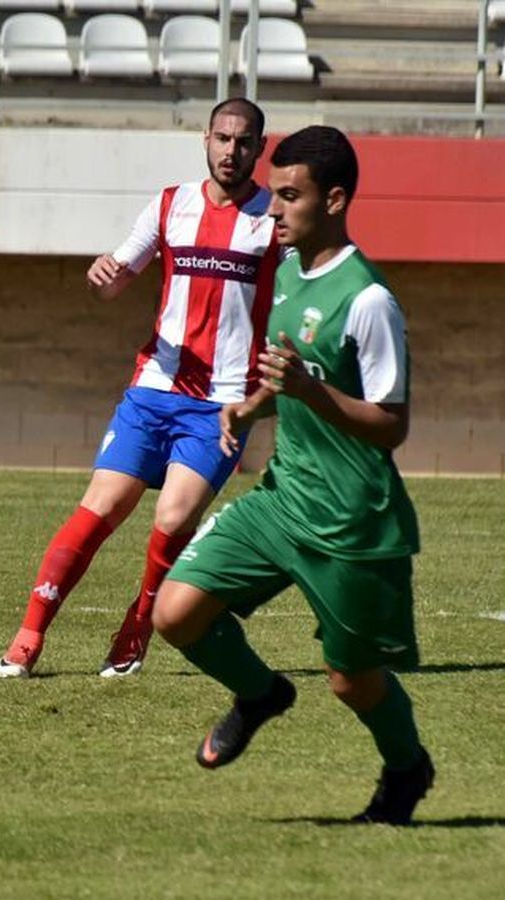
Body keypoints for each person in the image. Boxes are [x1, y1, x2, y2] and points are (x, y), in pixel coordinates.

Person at [153, 126, 431, 824]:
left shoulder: (368, 300)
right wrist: (250, 409)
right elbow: (290, 372)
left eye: (287, 196)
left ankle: (407, 769)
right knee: (176, 612)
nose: (272, 211)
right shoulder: (289, 278)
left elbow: (390, 423)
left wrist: (309, 392)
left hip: (351, 522)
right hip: (283, 499)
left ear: (333, 199)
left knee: (351, 680)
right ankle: (260, 694)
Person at [0, 98, 280, 679]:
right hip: (153, 389)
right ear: (205, 139)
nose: (231, 151)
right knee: (99, 508)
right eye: (222, 138)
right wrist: (103, 276)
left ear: (259, 148)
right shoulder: (171, 204)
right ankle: (28, 636)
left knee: (173, 520)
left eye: (243, 141)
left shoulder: (274, 219)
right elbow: (116, 279)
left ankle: (136, 630)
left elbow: (300, 294)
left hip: (222, 405)